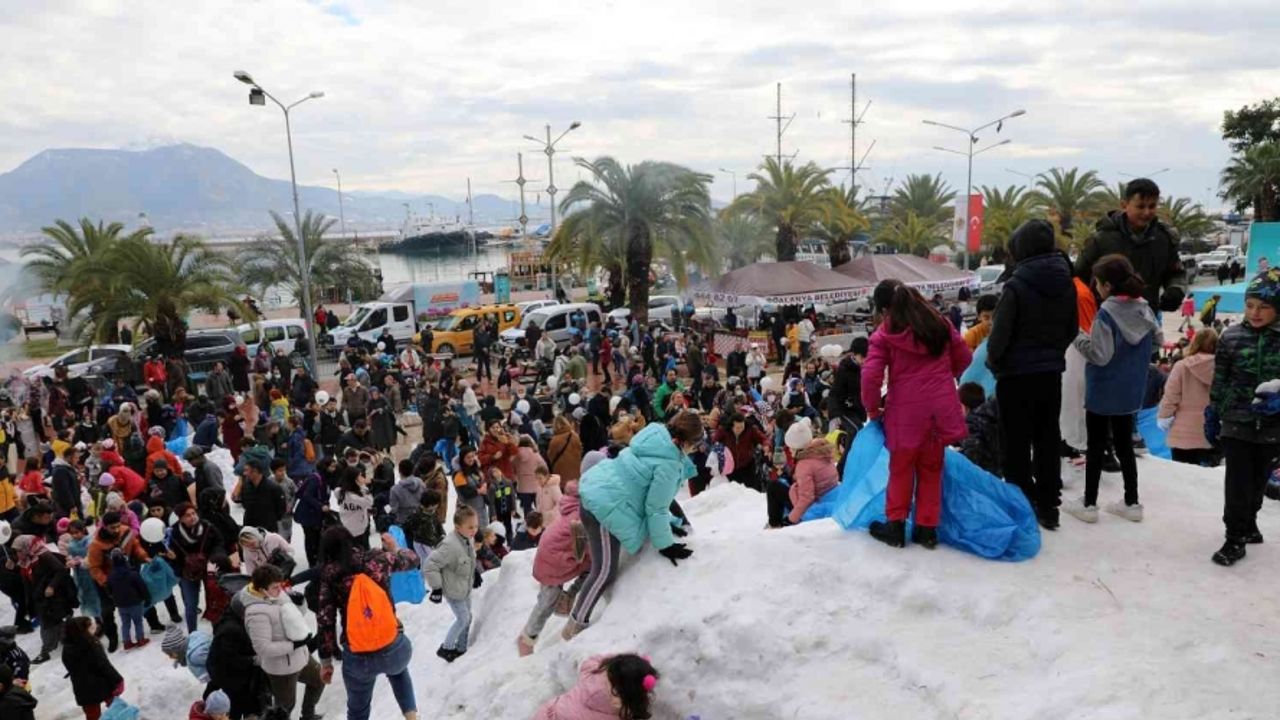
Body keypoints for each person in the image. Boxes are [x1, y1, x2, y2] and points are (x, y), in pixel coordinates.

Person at [566, 412, 700, 638]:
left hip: (597, 493)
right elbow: (655, 507)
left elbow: (642, 489)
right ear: (686, 442)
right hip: (603, 510)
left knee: (602, 567)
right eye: (696, 444)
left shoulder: (654, 438)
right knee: (604, 571)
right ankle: (575, 625)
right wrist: (665, 544)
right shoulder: (669, 464)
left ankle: (584, 531)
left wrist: (670, 523)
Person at [861, 281, 972, 549]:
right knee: (932, 467)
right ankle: (927, 530)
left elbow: (870, 376)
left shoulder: (886, 332)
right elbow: (965, 358)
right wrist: (944, 376)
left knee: (900, 468)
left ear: (886, 308)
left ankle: (896, 527)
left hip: (904, 412)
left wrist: (873, 409)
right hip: (939, 411)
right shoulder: (940, 324)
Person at [986, 219, 1078, 530]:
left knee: (1015, 443)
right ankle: (1049, 506)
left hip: (1014, 376)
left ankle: (1021, 503)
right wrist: (1052, 355)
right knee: (1047, 438)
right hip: (1050, 374)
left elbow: (999, 337)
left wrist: (995, 364)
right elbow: (1071, 329)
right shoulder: (1066, 283)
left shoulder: (1016, 285)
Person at [1065, 254, 1160, 525]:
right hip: (1131, 389)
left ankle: (1089, 503)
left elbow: (1099, 355)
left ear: (1105, 285)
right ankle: (1132, 502)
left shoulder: (1107, 312)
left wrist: (1078, 336)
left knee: (1096, 446)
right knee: (1124, 446)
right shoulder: (1144, 307)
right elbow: (1157, 341)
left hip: (1103, 390)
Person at [1206, 269, 1280, 566]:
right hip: (1237, 420)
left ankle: (1249, 523)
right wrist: (1213, 411)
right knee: (1237, 482)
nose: (1255, 312)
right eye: (1250, 305)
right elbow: (1220, 378)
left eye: (1263, 306)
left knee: (1258, 481)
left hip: (1274, 426)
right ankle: (1234, 538)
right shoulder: (1231, 336)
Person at [316, 526, 420, 720]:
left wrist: (326, 662)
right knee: (398, 671)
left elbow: (325, 619)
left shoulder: (329, 575)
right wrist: (395, 548)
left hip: (357, 655)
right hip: (393, 645)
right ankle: (412, 716)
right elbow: (413, 560)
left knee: (358, 710)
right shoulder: (376, 559)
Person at [1075, 177, 1187, 315]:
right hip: (1107, 319)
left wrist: (1175, 290)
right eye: (1140, 206)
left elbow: (1176, 273)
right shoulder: (1101, 239)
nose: (1146, 212)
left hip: (1147, 318)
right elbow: (1078, 277)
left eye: (1152, 206)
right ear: (1124, 205)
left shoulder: (1163, 239)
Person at [242, 564, 325, 720]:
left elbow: (294, 618)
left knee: (319, 680)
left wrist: (300, 603)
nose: (280, 590)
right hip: (282, 669)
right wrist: (293, 645)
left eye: (280, 585)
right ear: (261, 590)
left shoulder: (277, 594)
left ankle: (308, 715)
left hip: (301, 656)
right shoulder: (256, 614)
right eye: (275, 587)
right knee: (284, 709)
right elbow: (263, 648)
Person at [517, 480, 589, 656]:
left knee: (547, 599)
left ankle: (566, 598)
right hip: (553, 560)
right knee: (546, 604)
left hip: (550, 554)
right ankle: (527, 639)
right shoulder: (581, 513)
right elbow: (586, 545)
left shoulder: (573, 506)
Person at [424, 505, 479, 662]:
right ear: (457, 527)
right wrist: (436, 588)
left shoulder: (466, 539)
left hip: (464, 588)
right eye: (470, 527)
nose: (474, 529)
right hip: (454, 591)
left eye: (476, 525)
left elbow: (465, 560)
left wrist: (474, 572)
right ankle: (446, 648)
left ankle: (461, 648)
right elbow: (430, 565)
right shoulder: (450, 545)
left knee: (468, 617)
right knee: (463, 618)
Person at [532, 654, 660, 720]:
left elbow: (592, 660)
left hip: (547, 712)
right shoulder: (609, 712)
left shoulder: (595, 672)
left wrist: (619, 663)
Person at [13, 533, 77, 664]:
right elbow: (27, 582)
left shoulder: (44, 556)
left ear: (27, 547)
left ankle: (46, 651)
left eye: (19, 550)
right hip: (40, 598)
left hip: (53, 596)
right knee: (52, 621)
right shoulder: (24, 561)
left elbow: (60, 570)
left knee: (48, 623)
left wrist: (51, 586)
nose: (17, 554)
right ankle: (66, 640)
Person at [1157, 328, 1218, 466]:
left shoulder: (1182, 366)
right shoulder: (1223, 368)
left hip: (1182, 432)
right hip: (1212, 431)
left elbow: (1171, 396)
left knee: (1183, 477)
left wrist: (1164, 416)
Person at [767, 418, 839, 528]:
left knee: (773, 487)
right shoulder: (820, 451)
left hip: (813, 506)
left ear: (798, 447)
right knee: (784, 481)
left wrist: (790, 519)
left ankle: (775, 524)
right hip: (828, 495)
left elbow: (807, 498)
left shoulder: (804, 465)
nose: (789, 451)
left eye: (791, 448)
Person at [61, 616, 124, 720]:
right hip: (102, 683)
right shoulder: (92, 644)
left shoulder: (67, 647)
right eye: (91, 626)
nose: (95, 627)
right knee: (116, 708)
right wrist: (118, 680)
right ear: (83, 630)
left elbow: (68, 665)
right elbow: (104, 665)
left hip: (82, 688)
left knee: (92, 715)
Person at [106, 548, 149, 650]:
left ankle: (127, 642)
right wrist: (147, 598)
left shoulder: (110, 576)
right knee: (138, 622)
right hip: (135, 603)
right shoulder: (132, 573)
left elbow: (109, 590)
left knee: (125, 623)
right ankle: (140, 639)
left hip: (121, 605)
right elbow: (142, 587)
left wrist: (114, 599)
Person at [713, 412, 768, 491]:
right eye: (737, 427)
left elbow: (763, 439)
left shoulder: (750, 429)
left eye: (742, 426)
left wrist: (766, 446)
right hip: (730, 467)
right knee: (735, 492)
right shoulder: (724, 430)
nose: (740, 429)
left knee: (751, 490)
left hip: (747, 465)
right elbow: (714, 441)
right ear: (732, 426)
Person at [958, 382, 1002, 476]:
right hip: (997, 471)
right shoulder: (989, 418)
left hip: (982, 476)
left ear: (964, 407)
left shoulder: (971, 424)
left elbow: (971, 456)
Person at [337, 468, 375, 548]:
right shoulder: (353, 496)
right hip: (357, 530)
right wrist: (363, 486)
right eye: (360, 476)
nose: (363, 478)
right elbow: (369, 502)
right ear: (355, 480)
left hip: (347, 526)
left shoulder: (340, 492)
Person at [452, 446, 489, 527]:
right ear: (462, 459)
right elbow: (465, 493)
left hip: (480, 507)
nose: (471, 459)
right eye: (468, 457)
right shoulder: (459, 474)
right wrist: (480, 491)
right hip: (467, 509)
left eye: (473, 456)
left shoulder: (475, 469)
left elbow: (481, 482)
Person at [547, 415, 583, 485]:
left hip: (561, 474)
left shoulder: (554, 440)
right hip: (575, 473)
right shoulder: (575, 436)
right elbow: (580, 452)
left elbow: (550, 456)